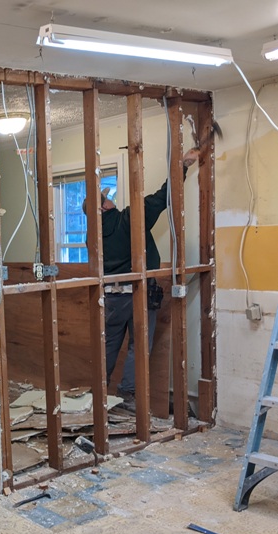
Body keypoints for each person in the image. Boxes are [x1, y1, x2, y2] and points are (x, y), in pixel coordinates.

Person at [93, 148, 199, 412]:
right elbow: (162, 198)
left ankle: (98, 394)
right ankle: (128, 395)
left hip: (111, 297)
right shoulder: (130, 220)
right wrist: (182, 165)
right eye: (107, 199)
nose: (110, 200)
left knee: (109, 345)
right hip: (138, 295)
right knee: (138, 348)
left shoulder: (92, 235)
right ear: (104, 206)